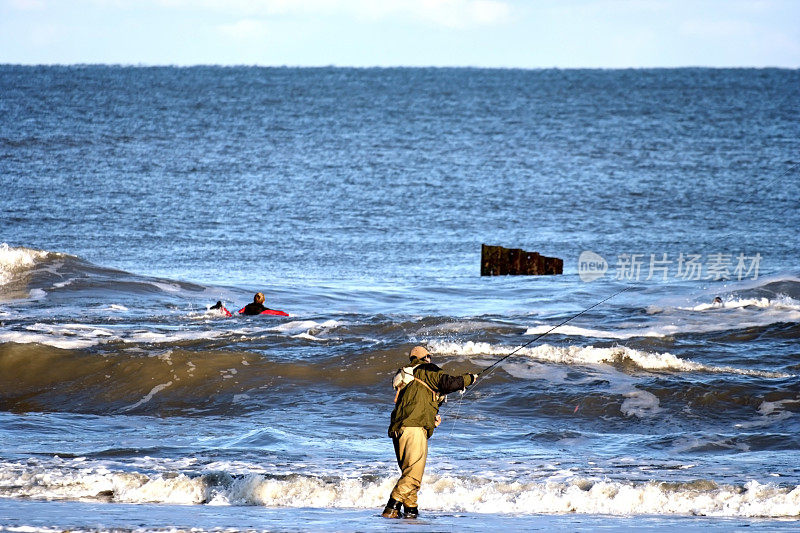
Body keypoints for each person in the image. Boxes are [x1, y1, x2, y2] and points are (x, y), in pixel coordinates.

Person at [381, 346, 476, 519]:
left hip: (399, 430)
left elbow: (417, 405)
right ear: (426, 358)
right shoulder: (426, 369)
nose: (430, 359)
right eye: (429, 356)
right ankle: (390, 509)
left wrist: (432, 420)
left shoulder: (407, 378)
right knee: (413, 477)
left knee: (408, 473)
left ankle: (411, 513)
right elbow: (449, 383)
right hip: (414, 430)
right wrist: (469, 378)